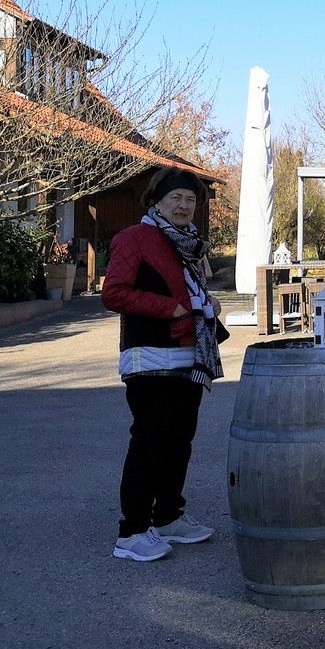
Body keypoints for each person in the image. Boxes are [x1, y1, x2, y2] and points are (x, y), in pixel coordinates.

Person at [101, 166, 224, 562]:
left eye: (190, 199)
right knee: (149, 442)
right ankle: (132, 532)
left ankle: (168, 517)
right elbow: (114, 293)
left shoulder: (189, 244)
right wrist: (170, 308)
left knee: (178, 442)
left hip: (190, 356)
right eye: (176, 198)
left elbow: (191, 296)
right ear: (157, 201)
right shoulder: (135, 237)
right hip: (148, 357)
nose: (184, 205)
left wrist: (207, 306)